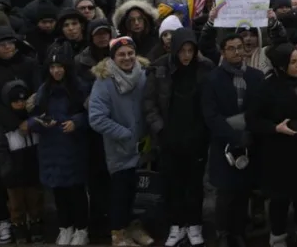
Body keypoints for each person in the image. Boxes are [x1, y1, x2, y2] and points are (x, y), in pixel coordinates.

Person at [143, 28, 212, 247]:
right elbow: (149, 103)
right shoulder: (160, 67)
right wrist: (160, 129)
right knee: (172, 184)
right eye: (182, 50)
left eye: (190, 50)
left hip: (196, 137)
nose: (186, 55)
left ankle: (194, 225)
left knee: (194, 184)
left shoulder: (205, 67)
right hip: (168, 137)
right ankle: (176, 225)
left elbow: (211, 101)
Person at [247, 44, 297, 247]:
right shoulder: (267, 88)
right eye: (292, 62)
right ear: (281, 66)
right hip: (278, 156)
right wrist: (275, 128)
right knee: (279, 202)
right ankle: (278, 240)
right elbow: (253, 120)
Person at [88, 37, 152, 247]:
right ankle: (118, 232)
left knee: (138, 192)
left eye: (130, 53)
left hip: (144, 146)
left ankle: (134, 226)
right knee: (120, 194)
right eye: (121, 54)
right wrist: (124, 133)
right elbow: (96, 118)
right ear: (113, 57)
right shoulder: (104, 81)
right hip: (119, 148)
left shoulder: (143, 75)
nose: (127, 58)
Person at [202, 32, 263, 247]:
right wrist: (234, 134)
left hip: (249, 144)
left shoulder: (256, 76)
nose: (237, 52)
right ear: (223, 52)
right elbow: (210, 116)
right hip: (223, 144)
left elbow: (259, 109)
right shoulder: (213, 78)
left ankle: (239, 231)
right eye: (231, 48)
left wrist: (249, 132)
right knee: (225, 194)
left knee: (243, 192)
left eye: (240, 47)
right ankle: (222, 233)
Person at [29, 42, 90, 246]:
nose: (56, 71)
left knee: (76, 192)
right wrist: (41, 123)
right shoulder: (43, 90)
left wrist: (76, 122)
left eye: (60, 67)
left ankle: (82, 229)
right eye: (53, 67)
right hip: (50, 150)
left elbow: (92, 114)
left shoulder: (79, 87)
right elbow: (32, 118)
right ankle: (65, 227)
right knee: (59, 193)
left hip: (73, 148)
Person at [0, 79, 43, 244]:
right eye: (15, 101)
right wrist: (6, 169)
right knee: (16, 206)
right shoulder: (2, 125)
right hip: (13, 173)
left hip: (33, 170)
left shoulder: (34, 119)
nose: (20, 104)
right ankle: (19, 231)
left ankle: (37, 228)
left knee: (36, 202)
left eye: (22, 100)